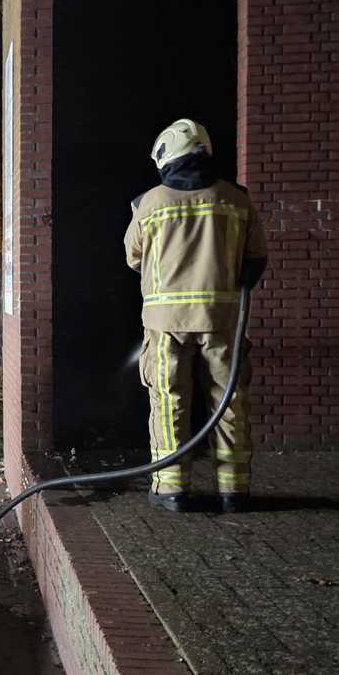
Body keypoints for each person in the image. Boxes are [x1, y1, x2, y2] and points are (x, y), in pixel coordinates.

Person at [123, 118, 268, 513]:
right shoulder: (237, 200)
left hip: (166, 325)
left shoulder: (149, 204)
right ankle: (234, 491)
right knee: (230, 403)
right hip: (222, 322)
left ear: (166, 155)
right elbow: (256, 260)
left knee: (169, 402)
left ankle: (171, 489)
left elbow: (134, 258)